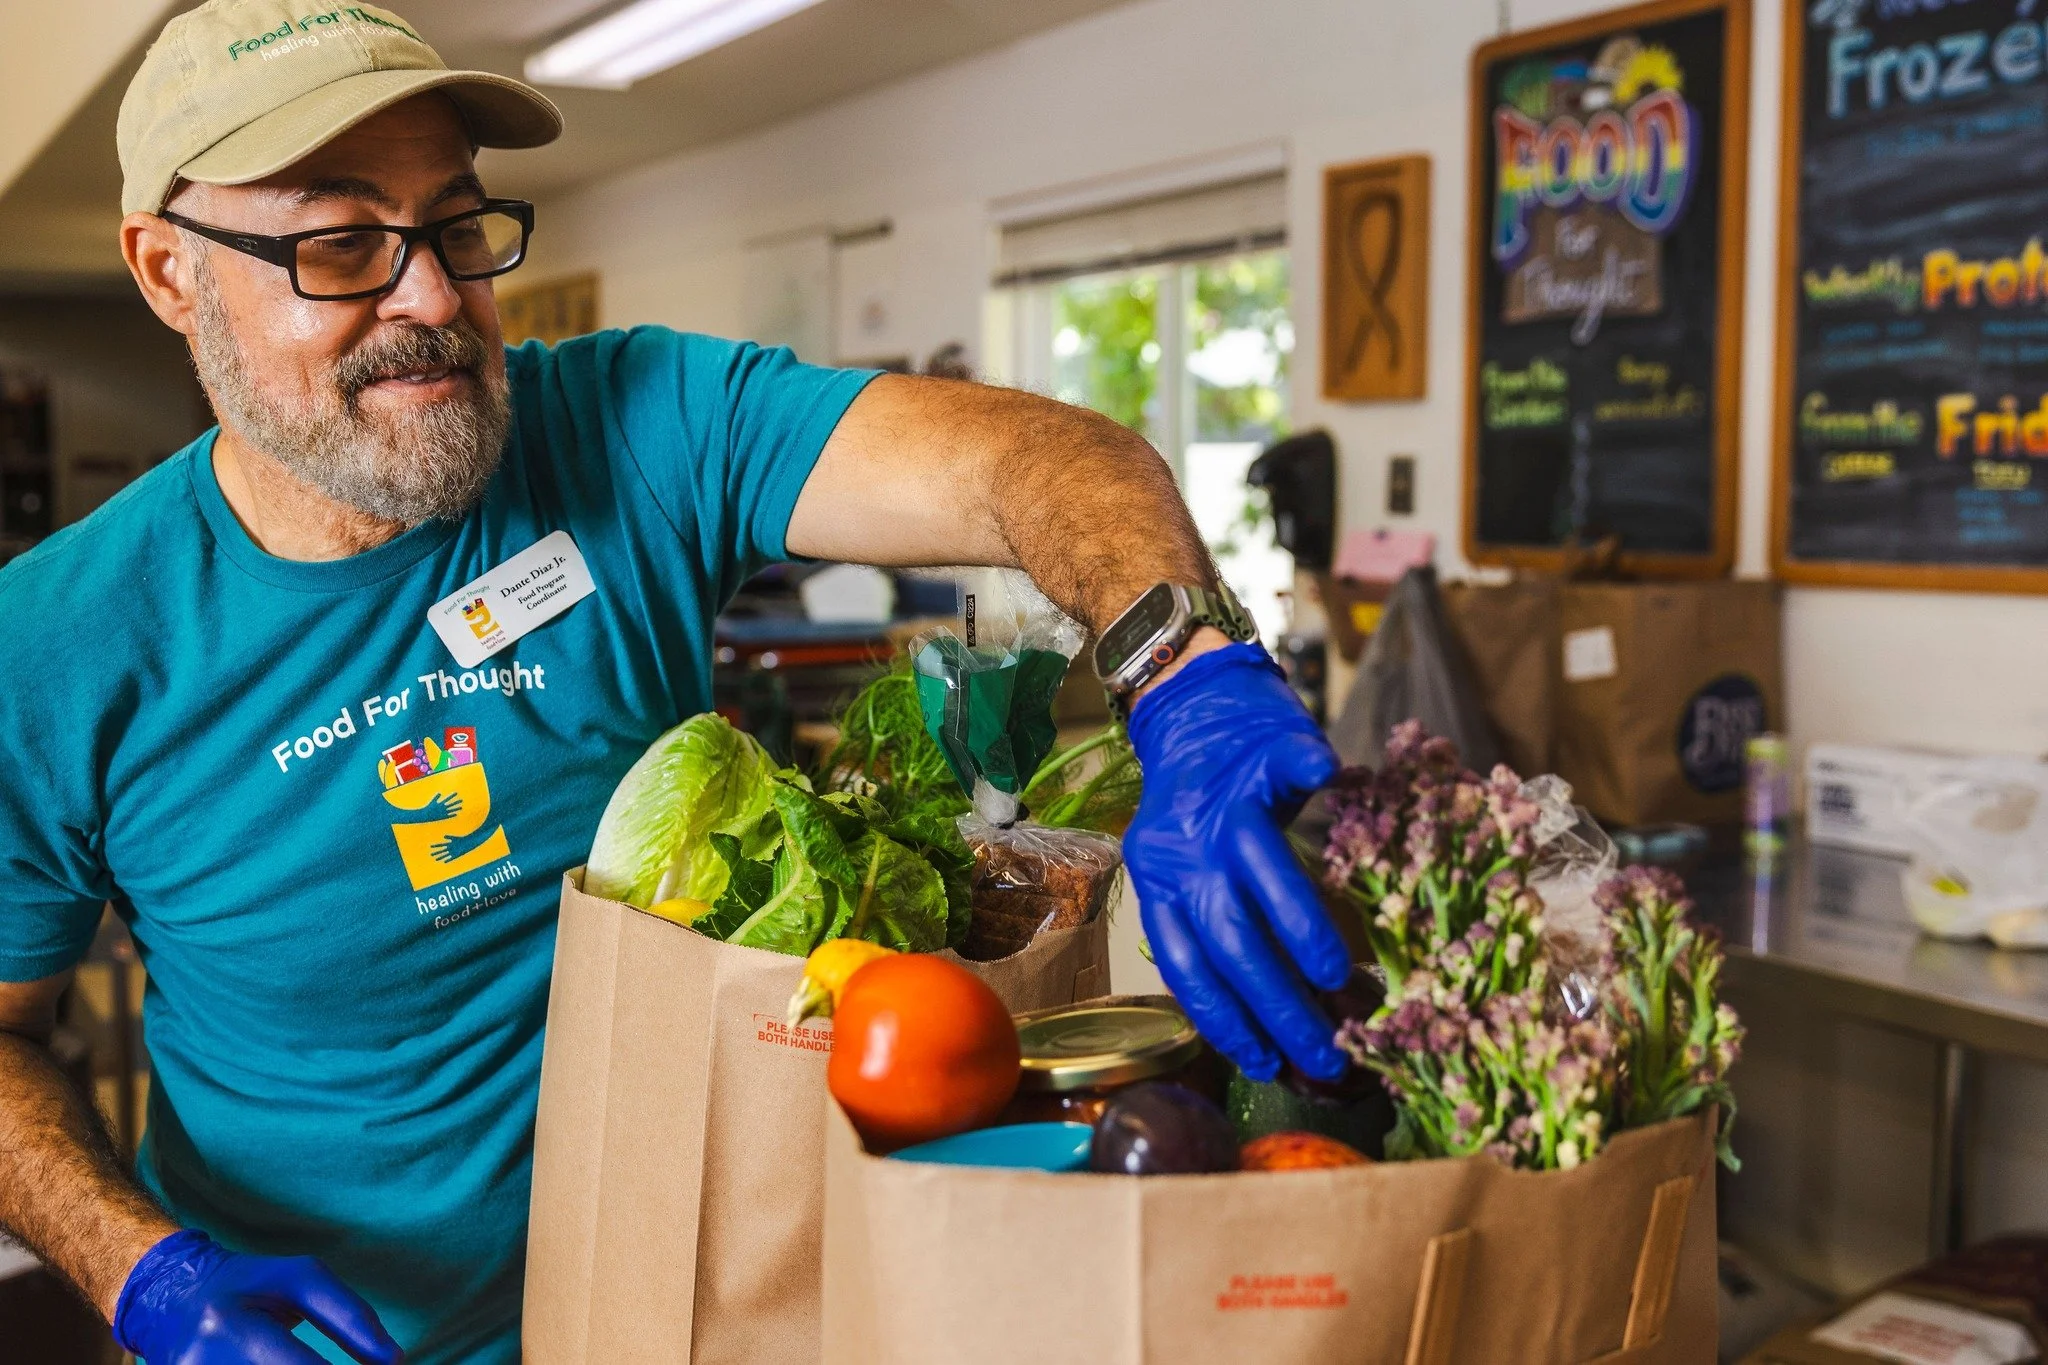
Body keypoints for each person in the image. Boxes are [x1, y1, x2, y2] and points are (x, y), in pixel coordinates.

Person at [0, 1, 1350, 1360]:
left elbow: (1045, 463)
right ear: (169, 273)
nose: (429, 298)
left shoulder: (633, 420)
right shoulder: (57, 641)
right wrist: (145, 1276)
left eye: (456, 227)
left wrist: (1183, 673)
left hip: (693, 1304)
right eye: (342, 242)